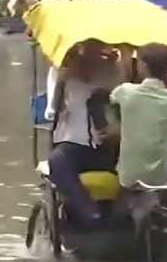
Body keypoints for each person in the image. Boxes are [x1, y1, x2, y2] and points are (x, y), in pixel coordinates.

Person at [46, 41, 124, 228]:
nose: (91, 54)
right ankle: (90, 213)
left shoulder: (111, 70)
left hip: (107, 145)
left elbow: (124, 106)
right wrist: (61, 83)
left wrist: (117, 129)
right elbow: (51, 113)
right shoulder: (59, 72)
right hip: (72, 144)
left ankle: (127, 217)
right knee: (57, 161)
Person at [109, 43, 167, 189]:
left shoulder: (126, 92)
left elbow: (112, 97)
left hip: (128, 175)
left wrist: (123, 63)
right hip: (160, 176)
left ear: (143, 65)